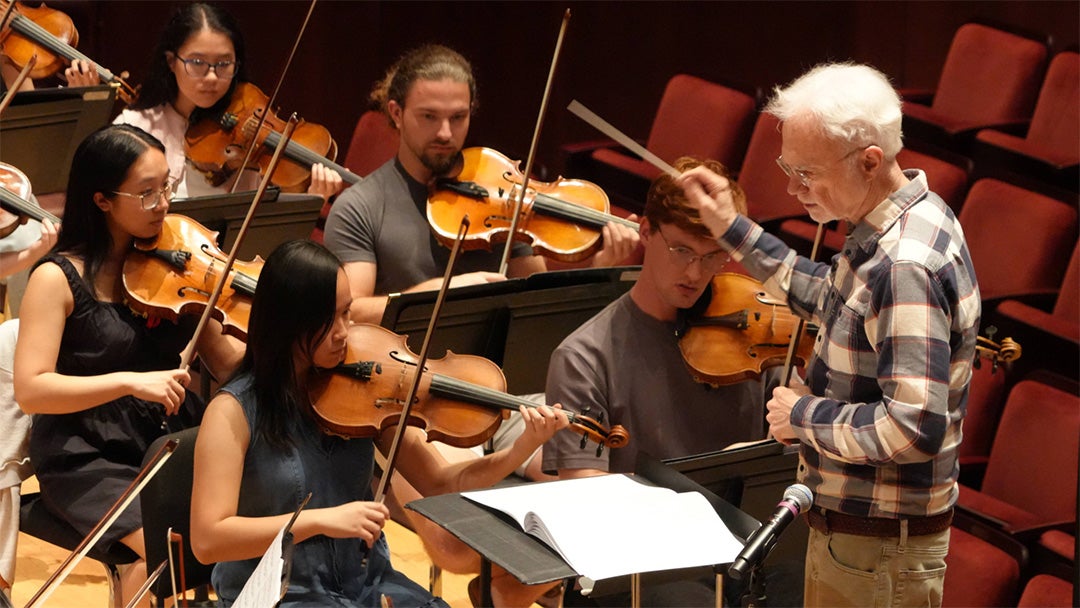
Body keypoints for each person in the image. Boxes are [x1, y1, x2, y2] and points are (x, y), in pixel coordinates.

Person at [322, 44, 639, 606]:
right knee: (457, 542)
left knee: (594, 479)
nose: (446, 133)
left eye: (459, 117)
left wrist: (599, 263)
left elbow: (537, 294)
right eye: (429, 117)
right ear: (395, 112)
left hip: (507, 394)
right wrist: (442, 291)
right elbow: (350, 310)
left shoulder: (500, 196)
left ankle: (516, 589)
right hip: (413, 406)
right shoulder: (362, 207)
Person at [678, 62, 980, 608]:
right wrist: (730, 227)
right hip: (865, 545)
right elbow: (829, 295)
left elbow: (913, 428)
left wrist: (802, 415)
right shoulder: (906, 218)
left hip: (878, 554)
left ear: (870, 160)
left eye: (807, 172)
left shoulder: (905, 265)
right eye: (787, 167)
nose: (792, 187)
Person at [189, 239, 570, 607]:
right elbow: (208, 541)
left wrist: (521, 447)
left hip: (365, 583)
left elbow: (441, 483)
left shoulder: (362, 396)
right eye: (328, 320)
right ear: (287, 323)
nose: (344, 332)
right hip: (280, 595)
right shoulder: (232, 411)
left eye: (346, 313)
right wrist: (321, 521)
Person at [13, 124, 243, 606]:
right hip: (86, 454)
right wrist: (130, 383)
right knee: (170, 553)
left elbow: (227, 364)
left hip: (167, 440)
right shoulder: (57, 279)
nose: (163, 204)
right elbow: (32, 390)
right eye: (146, 193)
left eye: (167, 187)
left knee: (239, 530)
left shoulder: (177, 269)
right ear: (102, 200)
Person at [543, 156, 777, 606]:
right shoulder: (583, 357)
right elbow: (588, 504)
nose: (695, 273)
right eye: (681, 250)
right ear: (646, 231)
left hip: (747, 552)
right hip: (644, 566)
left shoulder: (754, 332)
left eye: (713, 256)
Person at [113, 2, 343, 201]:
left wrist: (312, 199)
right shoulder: (134, 127)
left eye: (224, 64)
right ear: (171, 61)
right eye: (197, 63)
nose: (212, 77)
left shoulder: (247, 110)